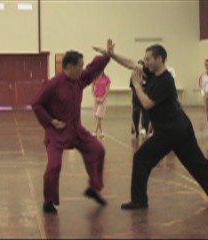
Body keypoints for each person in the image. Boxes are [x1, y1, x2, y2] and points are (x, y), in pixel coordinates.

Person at [93, 44, 208, 210]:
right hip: (175, 128)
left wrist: (137, 85)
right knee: (196, 163)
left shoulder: (166, 80)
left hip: (173, 129)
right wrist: (112, 54)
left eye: (148, 59)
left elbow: (147, 104)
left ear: (159, 59)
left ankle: (139, 201)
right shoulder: (152, 72)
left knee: (142, 158)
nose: (145, 62)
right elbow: (131, 63)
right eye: (145, 60)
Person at [31, 39, 114, 214]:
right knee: (54, 166)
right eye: (80, 66)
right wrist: (50, 122)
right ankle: (49, 201)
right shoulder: (53, 84)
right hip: (57, 132)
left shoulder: (79, 79)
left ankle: (93, 188)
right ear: (69, 66)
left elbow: (92, 69)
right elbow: (36, 104)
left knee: (98, 150)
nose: (82, 69)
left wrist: (107, 55)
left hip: (76, 130)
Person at [130, 60, 150, 139]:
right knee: (135, 114)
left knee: (146, 114)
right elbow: (132, 88)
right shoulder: (134, 77)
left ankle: (144, 128)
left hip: (145, 98)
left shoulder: (147, 77)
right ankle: (136, 131)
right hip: (136, 99)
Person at [92, 71, 111, 138]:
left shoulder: (107, 78)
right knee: (97, 117)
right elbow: (93, 89)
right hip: (96, 99)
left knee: (99, 115)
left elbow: (108, 90)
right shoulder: (95, 78)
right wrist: (95, 97)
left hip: (103, 100)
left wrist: (103, 98)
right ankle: (101, 131)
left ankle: (95, 131)